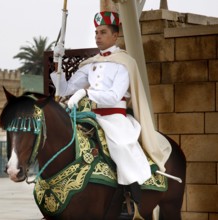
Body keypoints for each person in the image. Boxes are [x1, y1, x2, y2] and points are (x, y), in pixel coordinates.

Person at [50, 11, 172, 215]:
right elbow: (64, 90)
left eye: (103, 32)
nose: (97, 36)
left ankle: (132, 198)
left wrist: (86, 92)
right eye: (96, 32)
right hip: (92, 116)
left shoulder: (124, 63)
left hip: (115, 118)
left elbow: (115, 95)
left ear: (115, 36)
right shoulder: (91, 63)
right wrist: (57, 61)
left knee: (122, 147)